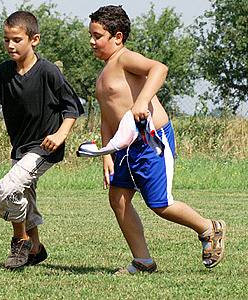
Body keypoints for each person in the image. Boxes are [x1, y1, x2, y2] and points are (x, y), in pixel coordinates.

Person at [88, 5, 225, 274]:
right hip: (123, 148)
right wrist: (106, 154)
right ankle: (143, 261)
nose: (92, 42)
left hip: (151, 141)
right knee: (118, 199)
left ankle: (209, 228)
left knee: (160, 204)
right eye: (90, 36)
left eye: (97, 36)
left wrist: (141, 101)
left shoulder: (125, 58)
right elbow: (106, 118)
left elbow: (159, 69)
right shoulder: (103, 75)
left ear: (117, 37)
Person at [0, 11, 84, 270]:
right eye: (6, 40)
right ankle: (35, 248)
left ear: (34, 39)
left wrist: (60, 135)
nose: (10, 45)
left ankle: (20, 241)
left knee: (7, 189)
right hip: (21, 149)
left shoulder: (48, 71)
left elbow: (72, 107)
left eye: (16, 39)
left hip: (45, 148)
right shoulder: (4, 73)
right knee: (26, 197)